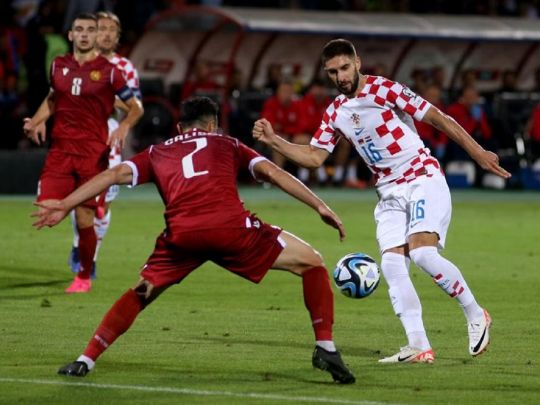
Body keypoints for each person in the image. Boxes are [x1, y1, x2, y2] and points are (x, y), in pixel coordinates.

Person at [32, 97, 356, 384]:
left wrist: (65, 204)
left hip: (182, 237)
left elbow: (112, 175)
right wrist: (320, 206)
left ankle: (85, 359)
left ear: (179, 126)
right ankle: (325, 347)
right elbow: (274, 173)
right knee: (311, 262)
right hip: (231, 230)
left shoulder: (157, 151)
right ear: (213, 125)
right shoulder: (228, 143)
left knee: (141, 292)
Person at [253, 38, 511, 363]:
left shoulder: (385, 89)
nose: (340, 77)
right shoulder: (335, 112)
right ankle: (418, 345)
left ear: (357, 63)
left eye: (345, 68)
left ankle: (475, 313)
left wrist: (478, 152)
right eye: (332, 72)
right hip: (387, 192)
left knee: (423, 253)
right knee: (391, 264)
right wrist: (275, 140)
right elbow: (315, 157)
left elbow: (436, 117)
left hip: (421, 177)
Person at [23, 13, 144, 293]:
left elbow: (134, 106)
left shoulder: (114, 70)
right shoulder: (58, 65)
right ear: (71, 35)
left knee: (85, 217)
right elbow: (53, 97)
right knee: (47, 209)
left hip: (94, 151)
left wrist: (124, 125)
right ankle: (87, 207)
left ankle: (84, 274)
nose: (87, 34)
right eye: (80, 29)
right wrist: (37, 121)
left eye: (92, 29)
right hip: (61, 151)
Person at [67, 11, 143, 279]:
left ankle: (92, 256)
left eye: (112, 29)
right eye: (102, 28)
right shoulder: (75, 61)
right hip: (77, 136)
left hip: (109, 135)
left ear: (118, 36)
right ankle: (80, 245)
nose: (107, 34)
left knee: (103, 202)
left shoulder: (125, 68)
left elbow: (135, 107)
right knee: (79, 196)